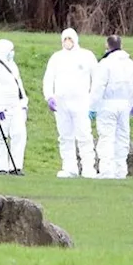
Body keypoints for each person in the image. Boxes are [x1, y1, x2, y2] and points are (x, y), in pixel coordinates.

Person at [42, 28, 98, 178]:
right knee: (65, 136)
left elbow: (96, 79)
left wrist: (93, 101)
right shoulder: (56, 58)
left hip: (81, 102)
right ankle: (69, 167)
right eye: (65, 39)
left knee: (84, 135)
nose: (68, 42)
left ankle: (88, 167)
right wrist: (49, 97)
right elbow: (48, 78)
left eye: (70, 39)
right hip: (61, 103)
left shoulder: (86, 56)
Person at [88, 34, 133, 179]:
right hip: (125, 104)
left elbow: (98, 87)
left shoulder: (105, 64)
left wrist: (92, 107)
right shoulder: (131, 64)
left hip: (107, 104)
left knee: (106, 137)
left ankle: (106, 170)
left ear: (107, 46)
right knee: (122, 137)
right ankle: (120, 170)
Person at [0, 38, 27, 175]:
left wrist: (23, 103)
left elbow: (19, 85)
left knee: (19, 135)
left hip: (15, 106)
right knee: (0, 137)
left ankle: (16, 166)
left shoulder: (13, 65)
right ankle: (2, 167)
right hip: (1, 108)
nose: (12, 53)